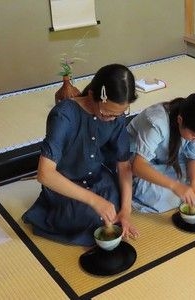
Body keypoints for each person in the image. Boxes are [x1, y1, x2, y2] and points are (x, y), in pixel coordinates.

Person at [22, 64, 139, 246]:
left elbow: (123, 165)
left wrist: (126, 210)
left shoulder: (116, 117)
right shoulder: (64, 115)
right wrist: (95, 201)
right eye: (107, 113)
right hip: (66, 186)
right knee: (92, 217)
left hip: (98, 180)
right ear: (92, 95)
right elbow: (45, 174)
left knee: (117, 206)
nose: (113, 119)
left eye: (120, 114)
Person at [127, 93, 195, 213]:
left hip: (170, 161)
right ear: (180, 120)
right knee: (162, 196)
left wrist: (194, 188)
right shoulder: (155, 123)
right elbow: (138, 166)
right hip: (139, 165)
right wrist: (175, 186)